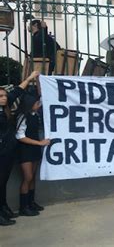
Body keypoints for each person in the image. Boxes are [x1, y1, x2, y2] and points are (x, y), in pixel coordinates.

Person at [0, 71, 39, 226]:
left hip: (8, 153)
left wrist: (29, 79)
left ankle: (3, 208)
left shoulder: (6, 107)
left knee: (3, 182)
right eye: (1, 96)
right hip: (2, 152)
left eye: (4, 96)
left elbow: (16, 92)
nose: (4, 98)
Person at [16, 91, 50, 216]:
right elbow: (20, 136)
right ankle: (23, 206)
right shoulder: (23, 117)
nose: (39, 104)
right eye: (37, 103)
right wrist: (39, 143)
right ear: (30, 104)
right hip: (25, 149)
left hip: (34, 148)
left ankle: (31, 202)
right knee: (28, 177)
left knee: (33, 177)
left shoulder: (35, 114)